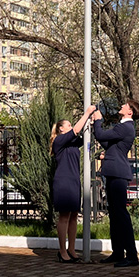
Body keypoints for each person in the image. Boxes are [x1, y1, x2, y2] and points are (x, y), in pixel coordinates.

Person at [92, 99, 139, 267]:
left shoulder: (125, 127)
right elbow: (107, 144)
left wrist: (98, 120)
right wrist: (95, 127)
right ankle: (118, 252)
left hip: (118, 174)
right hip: (114, 172)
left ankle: (132, 255)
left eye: (125, 105)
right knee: (114, 213)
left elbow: (101, 135)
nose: (122, 105)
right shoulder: (122, 128)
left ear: (130, 112)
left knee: (120, 214)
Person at [51, 105, 95, 262]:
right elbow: (76, 130)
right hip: (63, 182)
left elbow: (82, 135)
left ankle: (72, 249)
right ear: (61, 129)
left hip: (74, 180)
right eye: (67, 125)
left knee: (74, 215)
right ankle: (62, 251)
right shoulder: (59, 141)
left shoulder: (73, 142)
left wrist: (92, 122)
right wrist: (87, 113)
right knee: (64, 216)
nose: (70, 127)